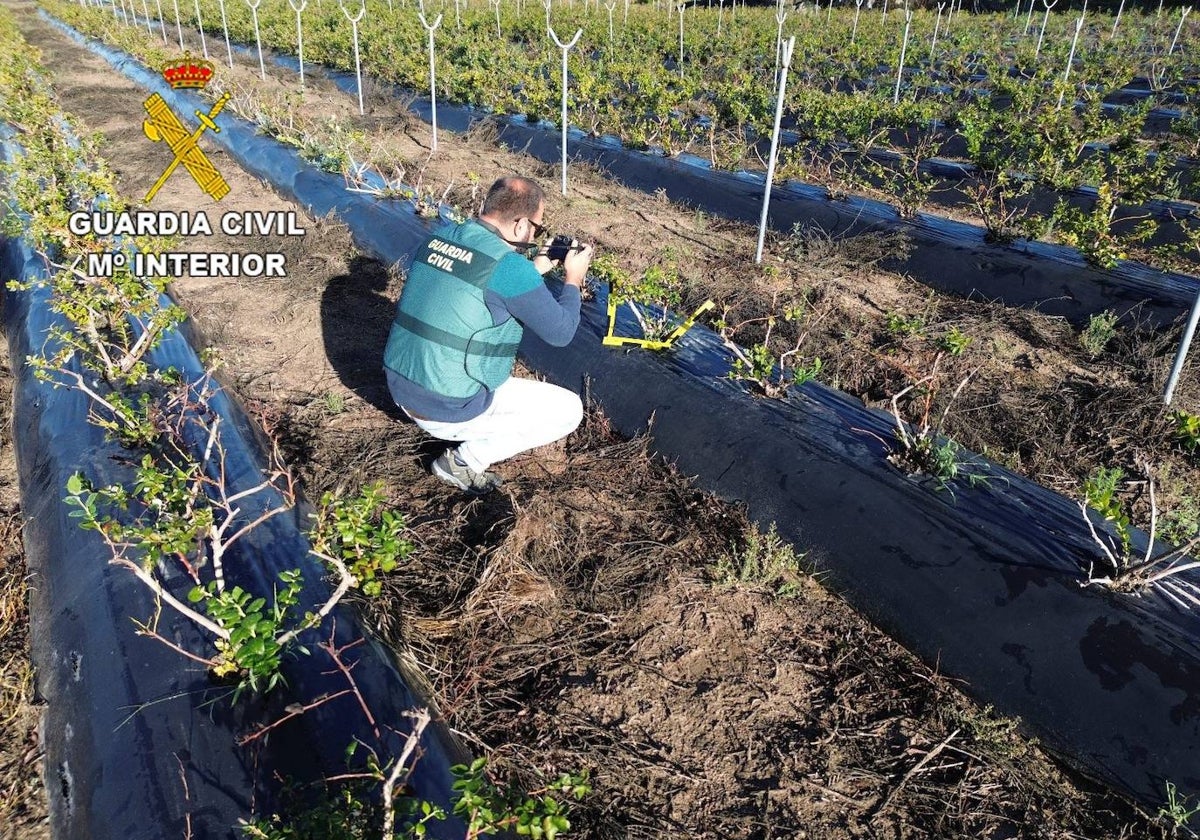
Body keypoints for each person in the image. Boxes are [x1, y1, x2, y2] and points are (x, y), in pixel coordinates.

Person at [383, 175, 594, 494]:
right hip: (449, 408)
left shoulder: (441, 237)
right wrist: (573, 278)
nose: (533, 234)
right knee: (569, 411)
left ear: (486, 207)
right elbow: (561, 332)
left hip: (399, 385)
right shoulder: (510, 270)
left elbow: (482, 278)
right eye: (537, 228)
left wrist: (534, 268)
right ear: (522, 225)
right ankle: (463, 463)